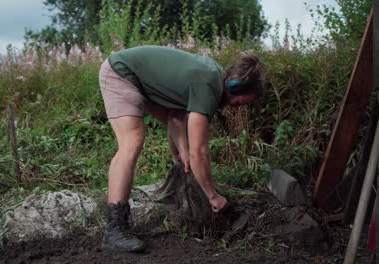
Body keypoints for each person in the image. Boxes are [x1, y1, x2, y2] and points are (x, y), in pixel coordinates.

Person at [98, 45, 266, 252]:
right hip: (121, 72)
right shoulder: (208, 86)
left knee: (181, 149)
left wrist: (181, 155)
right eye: (243, 102)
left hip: (137, 76)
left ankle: (177, 173)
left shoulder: (213, 77)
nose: (242, 107)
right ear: (235, 87)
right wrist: (213, 196)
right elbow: (200, 153)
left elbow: (176, 116)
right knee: (132, 141)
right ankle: (114, 229)